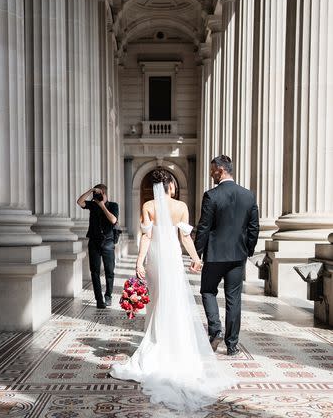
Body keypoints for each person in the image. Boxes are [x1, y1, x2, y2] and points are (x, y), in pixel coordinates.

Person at [110, 169, 236, 411]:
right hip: (173, 259)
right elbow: (185, 237)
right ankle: (176, 345)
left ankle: (157, 340)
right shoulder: (180, 206)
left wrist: (139, 262)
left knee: (156, 303)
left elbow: (146, 237)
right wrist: (196, 258)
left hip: (156, 259)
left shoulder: (148, 205)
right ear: (169, 186)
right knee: (176, 301)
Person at [195, 155, 259, 356]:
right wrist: (247, 250)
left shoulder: (211, 196)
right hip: (238, 256)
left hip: (214, 256)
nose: (211, 174)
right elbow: (254, 228)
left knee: (207, 291)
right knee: (234, 299)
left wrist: (197, 254)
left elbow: (203, 228)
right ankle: (232, 345)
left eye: (213, 170)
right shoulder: (248, 195)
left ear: (221, 170)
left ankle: (215, 330)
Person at [77, 184, 119, 309]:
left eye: (100, 194)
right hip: (94, 242)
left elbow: (113, 220)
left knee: (109, 271)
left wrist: (102, 206)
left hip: (108, 242)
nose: (98, 197)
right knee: (94, 272)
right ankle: (99, 300)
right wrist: (90, 191)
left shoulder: (113, 206)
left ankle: (108, 296)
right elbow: (79, 202)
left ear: (105, 194)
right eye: (97, 195)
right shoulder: (92, 205)